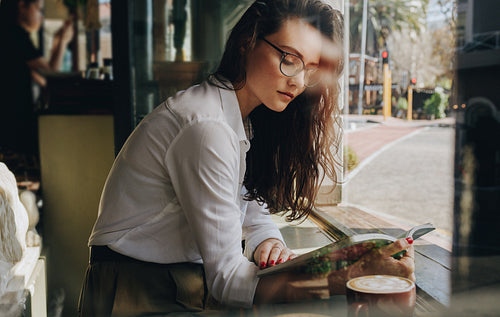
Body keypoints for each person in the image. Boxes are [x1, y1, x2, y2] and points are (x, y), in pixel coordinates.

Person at [78, 0, 415, 315]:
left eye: (310, 69)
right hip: (137, 289)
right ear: (247, 43)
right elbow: (228, 281)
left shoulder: (239, 120)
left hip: (173, 282)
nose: (298, 81)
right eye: (289, 58)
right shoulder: (207, 127)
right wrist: (345, 276)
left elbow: (250, 211)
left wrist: (267, 241)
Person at [0, 0, 73, 178]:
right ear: (22, 5)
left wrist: (57, 44)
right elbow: (51, 76)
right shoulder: (14, 34)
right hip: (13, 126)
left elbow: (42, 78)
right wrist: (62, 41)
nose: (41, 15)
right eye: (39, 9)